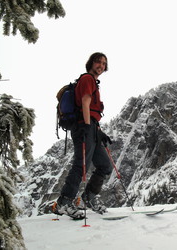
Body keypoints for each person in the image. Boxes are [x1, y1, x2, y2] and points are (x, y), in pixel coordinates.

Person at [53, 52, 113, 219]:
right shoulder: (87, 79)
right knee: (81, 166)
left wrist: (98, 132)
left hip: (91, 127)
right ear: (91, 63)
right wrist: (87, 126)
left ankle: (89, 197)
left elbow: (91, 109)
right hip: (84, 127)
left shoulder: (93, 81)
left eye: (103, 63)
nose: (101, 65)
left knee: (104, 166)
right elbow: (86, 102)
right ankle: (64, 203)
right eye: (98, 62)